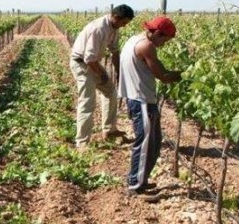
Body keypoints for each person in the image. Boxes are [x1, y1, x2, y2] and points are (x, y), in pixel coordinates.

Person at [118, 17, 182, 201]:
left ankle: (141, 180)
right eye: (165, 39)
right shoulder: (147, 46)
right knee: (145, 143)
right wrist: (188, 74)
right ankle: (136, 186)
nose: (164, 44)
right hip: (142, 101)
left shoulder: (133, 39)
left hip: (138, 99)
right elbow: (164, 76)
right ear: (157, 33)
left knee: (154, 143)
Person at [70, 4, 134, 149]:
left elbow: (115, 51)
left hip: (93, 63)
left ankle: (109, 130)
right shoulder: (98, 28)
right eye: (123, 23)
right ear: (116, 17)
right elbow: (89, 59)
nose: (124, 26)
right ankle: (82, 143)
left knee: (111, 92)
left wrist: (119, 72)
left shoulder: (114, 28)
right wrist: (102, 75)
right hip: (82, 64)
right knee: (87, 102)